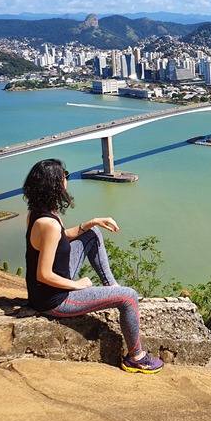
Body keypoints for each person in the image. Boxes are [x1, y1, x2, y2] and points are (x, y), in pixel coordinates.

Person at [22, 158, 163, 374]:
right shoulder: (48, 224)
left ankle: (111, 287)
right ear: (56, 184)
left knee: (92, 233)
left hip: (48, 290)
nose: (67, 179)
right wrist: (77, 284)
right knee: (129, 297)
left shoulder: (39, 214)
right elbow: (43, 274)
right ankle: (136, 357)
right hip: (56, 299)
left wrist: (90, 223)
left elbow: (60, 239)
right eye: (65, 176)